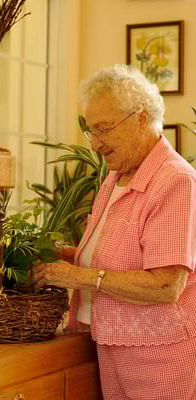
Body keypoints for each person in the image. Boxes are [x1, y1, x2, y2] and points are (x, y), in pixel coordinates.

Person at [34, 64, 196, 400]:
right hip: (113, 347)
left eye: (104, 129)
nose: (96, 145)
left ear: (140, 118)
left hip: (161, 358)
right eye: (91, 132)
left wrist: (79, 276)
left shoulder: (175, 182)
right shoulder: (115, 179)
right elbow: (115, 255)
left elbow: (166, 285)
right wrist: (62, 257)